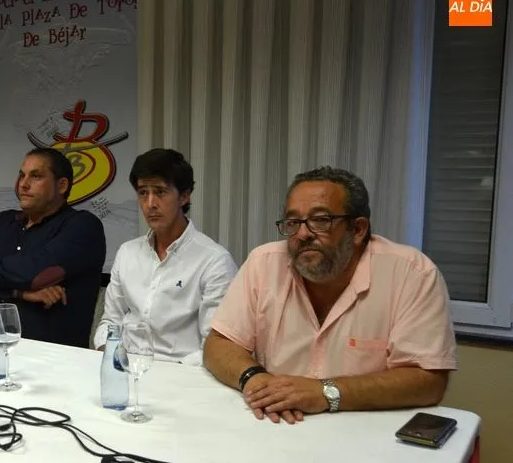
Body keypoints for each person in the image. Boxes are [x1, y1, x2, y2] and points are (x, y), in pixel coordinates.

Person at [204, 166, 457, 424]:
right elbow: (219, 343)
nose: (303, 234)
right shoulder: (264, 262)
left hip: (365, 431)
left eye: (320, 220)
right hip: (277, 421)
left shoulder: (412, 273)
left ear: (358, 230)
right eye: (293, 222)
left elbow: (428, 381)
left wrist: (326, 391)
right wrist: (254, 378)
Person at [93, 149, 236, 364]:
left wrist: (168, 374)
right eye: (143, 193)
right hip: (124, 368)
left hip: (182, 377)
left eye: (160, 192)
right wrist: (111, 356)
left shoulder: (214, 261)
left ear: (184, 196)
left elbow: (215, 344)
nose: (150, 204)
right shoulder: (127, 253)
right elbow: (110, 321)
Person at [0, 147, 106, 348]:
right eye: (22, 175)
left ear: (61, 185)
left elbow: (36, 274)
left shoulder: (82, 226)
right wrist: (19, 293)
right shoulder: (2, 221)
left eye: (36, 176)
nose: (23, 184)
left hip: (51, 356)